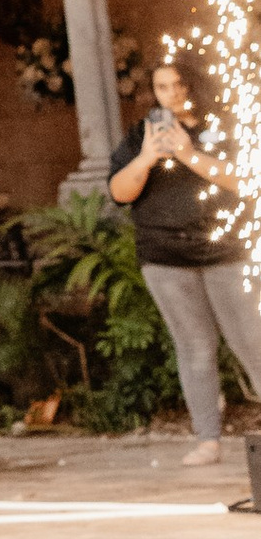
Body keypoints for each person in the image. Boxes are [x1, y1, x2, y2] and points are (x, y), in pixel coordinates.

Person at [107, 52, 261, 470]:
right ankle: (208, 438)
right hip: (165, 257)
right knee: (193, 346)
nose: (172, 94)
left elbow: (245, 180)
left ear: (193, 84)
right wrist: (147, 158)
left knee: (250, 341)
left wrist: (189, 154)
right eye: (162, 87)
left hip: (225, 251)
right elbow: (120, 192)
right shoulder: (141, 134)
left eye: (179, 84)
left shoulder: (224, 127)